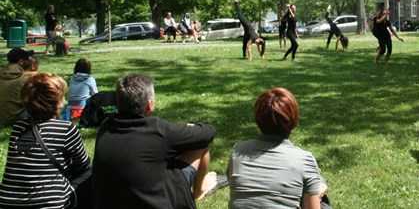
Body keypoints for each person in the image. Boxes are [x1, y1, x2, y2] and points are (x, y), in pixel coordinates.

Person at [93, 74, 219, 208]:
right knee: (198, 145)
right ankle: (199, 191)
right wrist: (189, 127)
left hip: (113, 202)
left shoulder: (106, 127)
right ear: (149, 105)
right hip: (158, 201)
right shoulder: (158, 131)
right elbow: (207, 133)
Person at [0, 73, 91, 208]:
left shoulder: (19, 127)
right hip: (48, 203)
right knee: (92, 171)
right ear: (57, 101)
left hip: (8, 202)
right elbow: (83, 165)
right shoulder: (66, 128)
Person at [227, 88, 329, 209]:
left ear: (258, 118)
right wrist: (318, 193)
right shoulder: (304, 160)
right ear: (293, 120)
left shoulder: (238, 151)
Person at [0, 48, 36, 126]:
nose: (29, 60)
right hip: (15, 119)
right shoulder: (25, 79)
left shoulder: (2, 73)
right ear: (21, 62)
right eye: (27, 59)